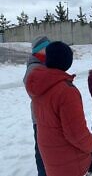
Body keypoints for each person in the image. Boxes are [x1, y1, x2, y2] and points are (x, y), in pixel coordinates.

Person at [25, 41, 92, 176]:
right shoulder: (66, 91)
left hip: (50, 154)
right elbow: (76, 133)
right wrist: (91, 145)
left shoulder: (40, 84)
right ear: (67, 61)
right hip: (69, 159)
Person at [23, 35, 50, 176]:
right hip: (40, 117)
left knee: (48, 148)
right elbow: (33, 92)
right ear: (39, 50)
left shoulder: (45, 64)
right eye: (46, 48)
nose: (49, 50)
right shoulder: (34, 67)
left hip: (48, 115)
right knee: (41, 149)